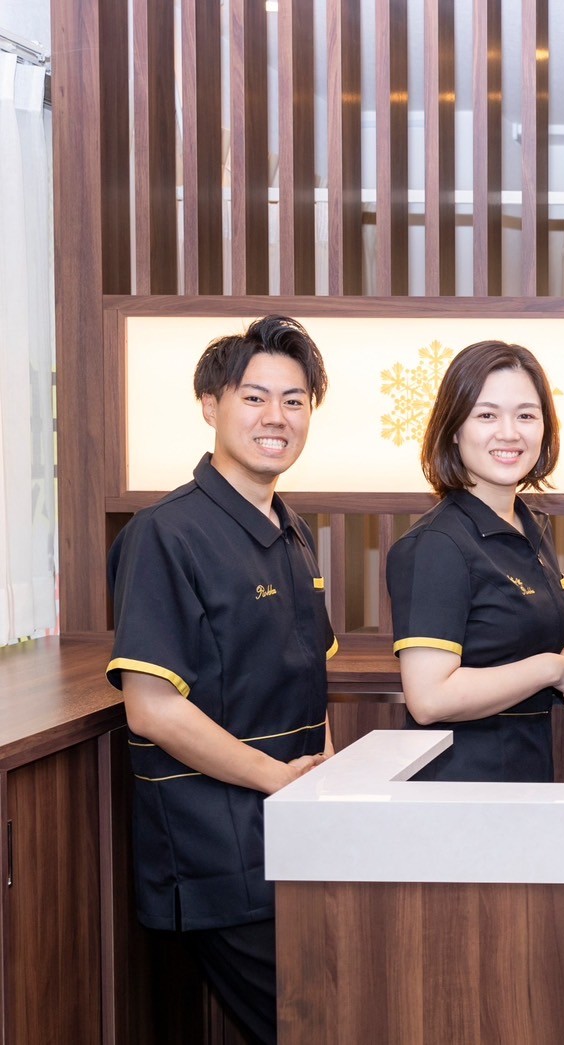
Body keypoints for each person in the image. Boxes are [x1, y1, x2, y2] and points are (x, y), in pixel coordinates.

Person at [105, 316, 333, 1045]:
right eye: (254, 397)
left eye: (294, 400)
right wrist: (282, 782)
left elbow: (310, 679)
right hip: (219, 855)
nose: (277, 417)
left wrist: (321, 791)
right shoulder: (166, 533)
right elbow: (151, 709)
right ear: (211, 405)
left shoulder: (292, 531)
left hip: (291, 838)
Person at [385, 341, 564, 781]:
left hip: (523, 775)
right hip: (460, 786)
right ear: (454, 428)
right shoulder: (437, 544)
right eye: (487, 415)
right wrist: (552, 668)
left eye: (526, 415)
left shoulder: (530, 527)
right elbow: (429, 699)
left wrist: (560, 660)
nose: (509, 433)